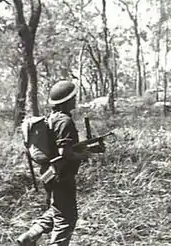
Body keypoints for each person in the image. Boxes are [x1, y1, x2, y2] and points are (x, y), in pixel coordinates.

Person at [17, 80, 105, 246]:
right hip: (62, 175)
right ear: (68, 100)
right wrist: (85, 155)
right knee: (66, 218)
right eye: (74, 97)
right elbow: (65, 152)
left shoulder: (53, 118)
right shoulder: (65, 121)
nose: (75, 100)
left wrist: (87, 147)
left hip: (50, 173)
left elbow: (62, 148)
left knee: (58, 209)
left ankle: (29, 237)